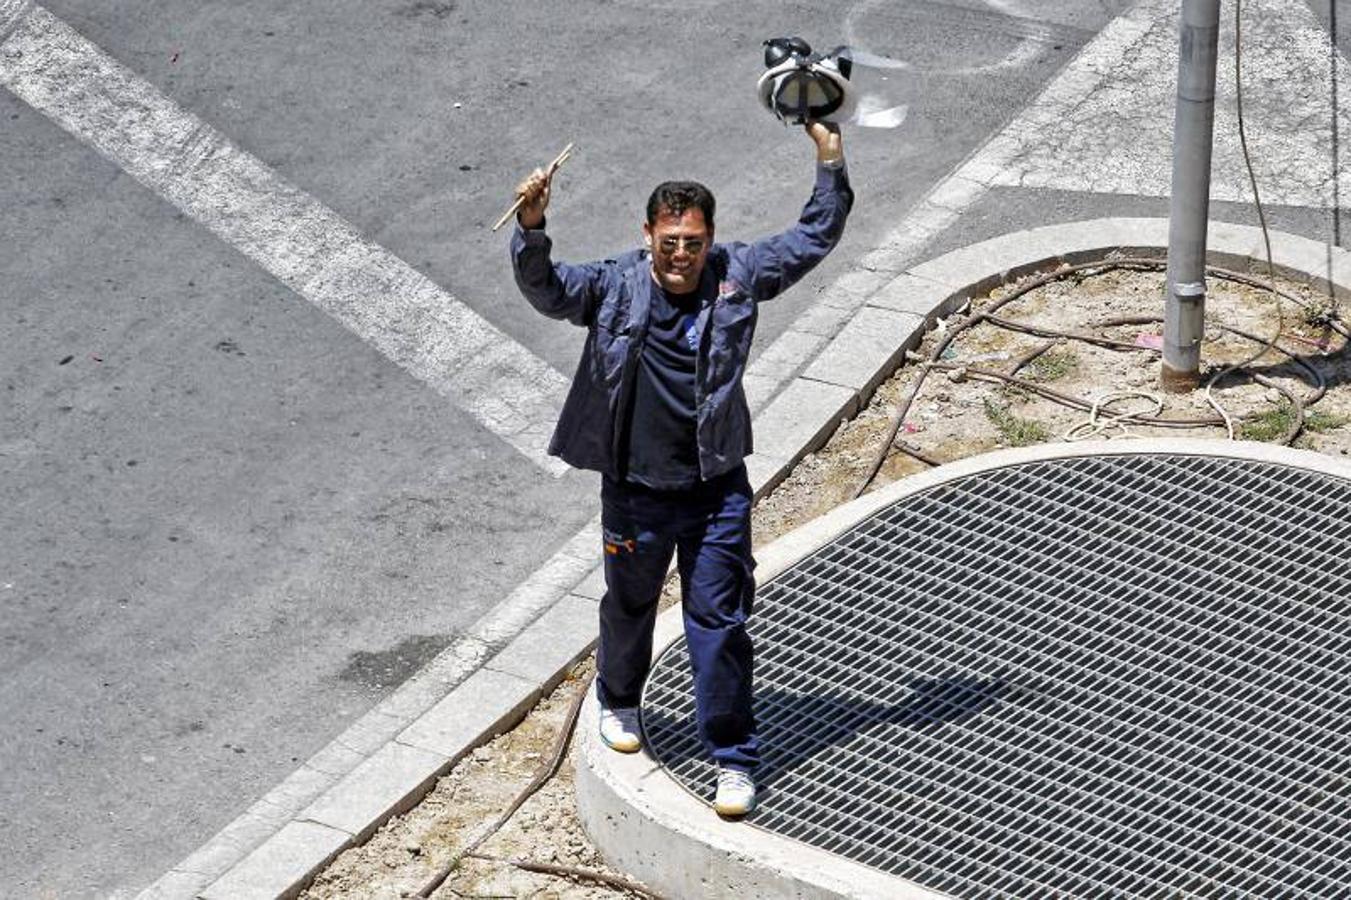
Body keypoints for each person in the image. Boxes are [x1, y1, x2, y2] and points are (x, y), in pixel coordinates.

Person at [509, 123, 853, 817]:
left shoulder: (738, 276)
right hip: (634, 495)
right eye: (670, 243)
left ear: (710, 238)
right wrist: (532, 224)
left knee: (719, 622)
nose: (682, 256)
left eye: (693, 243)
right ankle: (620, 701)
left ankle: (732, 758)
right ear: (648, 236)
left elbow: (813, 235)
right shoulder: (612, 286)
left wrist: (829, 157)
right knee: (630, 606)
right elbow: (546, 289)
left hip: (715, 489)